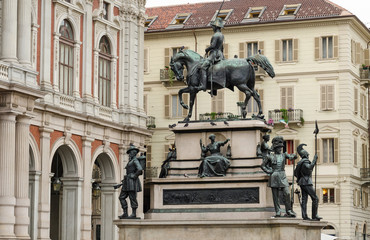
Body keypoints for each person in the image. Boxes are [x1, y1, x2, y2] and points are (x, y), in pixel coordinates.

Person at [261, 136, 297, 217]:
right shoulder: (269, 156)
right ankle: (278, 211)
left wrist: (294, 156)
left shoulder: (284, 155)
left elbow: (291, 157)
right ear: (275, 148)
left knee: (287, 193)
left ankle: (288, 210)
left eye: (281, 147)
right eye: (278, 147)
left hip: (282, 175)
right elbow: (263, 166)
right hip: (274, 176)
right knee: (275, 195)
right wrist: (269, 171)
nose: (280, 149)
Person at [294, 144, 322, 221]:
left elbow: (295, 173)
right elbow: (310, 167)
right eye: (307, 154)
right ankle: (314, 216)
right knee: (315, 198)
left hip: (302, 182)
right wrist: (314, 160)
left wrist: (299, 178)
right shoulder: (305, 161)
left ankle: (304, 216)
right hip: (306, 182)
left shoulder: (299, 163)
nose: (308, 154)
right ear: (305, 155)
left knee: (304, 199)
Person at [198, 17, 225, 92]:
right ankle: (214, 90)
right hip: (220, 54)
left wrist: (207, 49)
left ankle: (203, 85)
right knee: (213, 69)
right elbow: (222, 47)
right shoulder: (221, 35)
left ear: (215, 27)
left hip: (214, 54)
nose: (212, 28)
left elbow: (213, 46)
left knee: (203, 67)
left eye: (213, 26)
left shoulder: (216, 35)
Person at [118, 144, 143, 219]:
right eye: (129, 153)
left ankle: (134, 213)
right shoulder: (131, 161)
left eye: (130, 153)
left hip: (132, 181)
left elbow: (140, 170)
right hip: (127, 181)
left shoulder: (135, 160)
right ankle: (125, 213)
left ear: (134, 153)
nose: (129, 154)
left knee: (132, 197)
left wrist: (134, 176)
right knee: (121, 197)